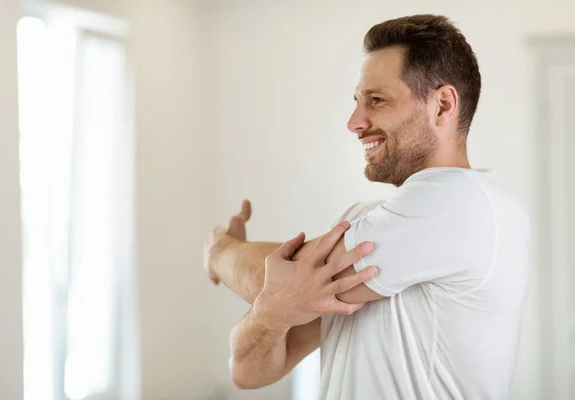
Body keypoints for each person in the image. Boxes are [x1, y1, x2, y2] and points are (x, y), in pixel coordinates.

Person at [203, 14, 530, 400]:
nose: (354, 122)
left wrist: (220, 251)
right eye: (357, 101)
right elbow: (249, 372)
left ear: (442, 105)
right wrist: (268, 315)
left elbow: (274, 279)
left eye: (376, 100)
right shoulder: (366, 221)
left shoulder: (464, 200)